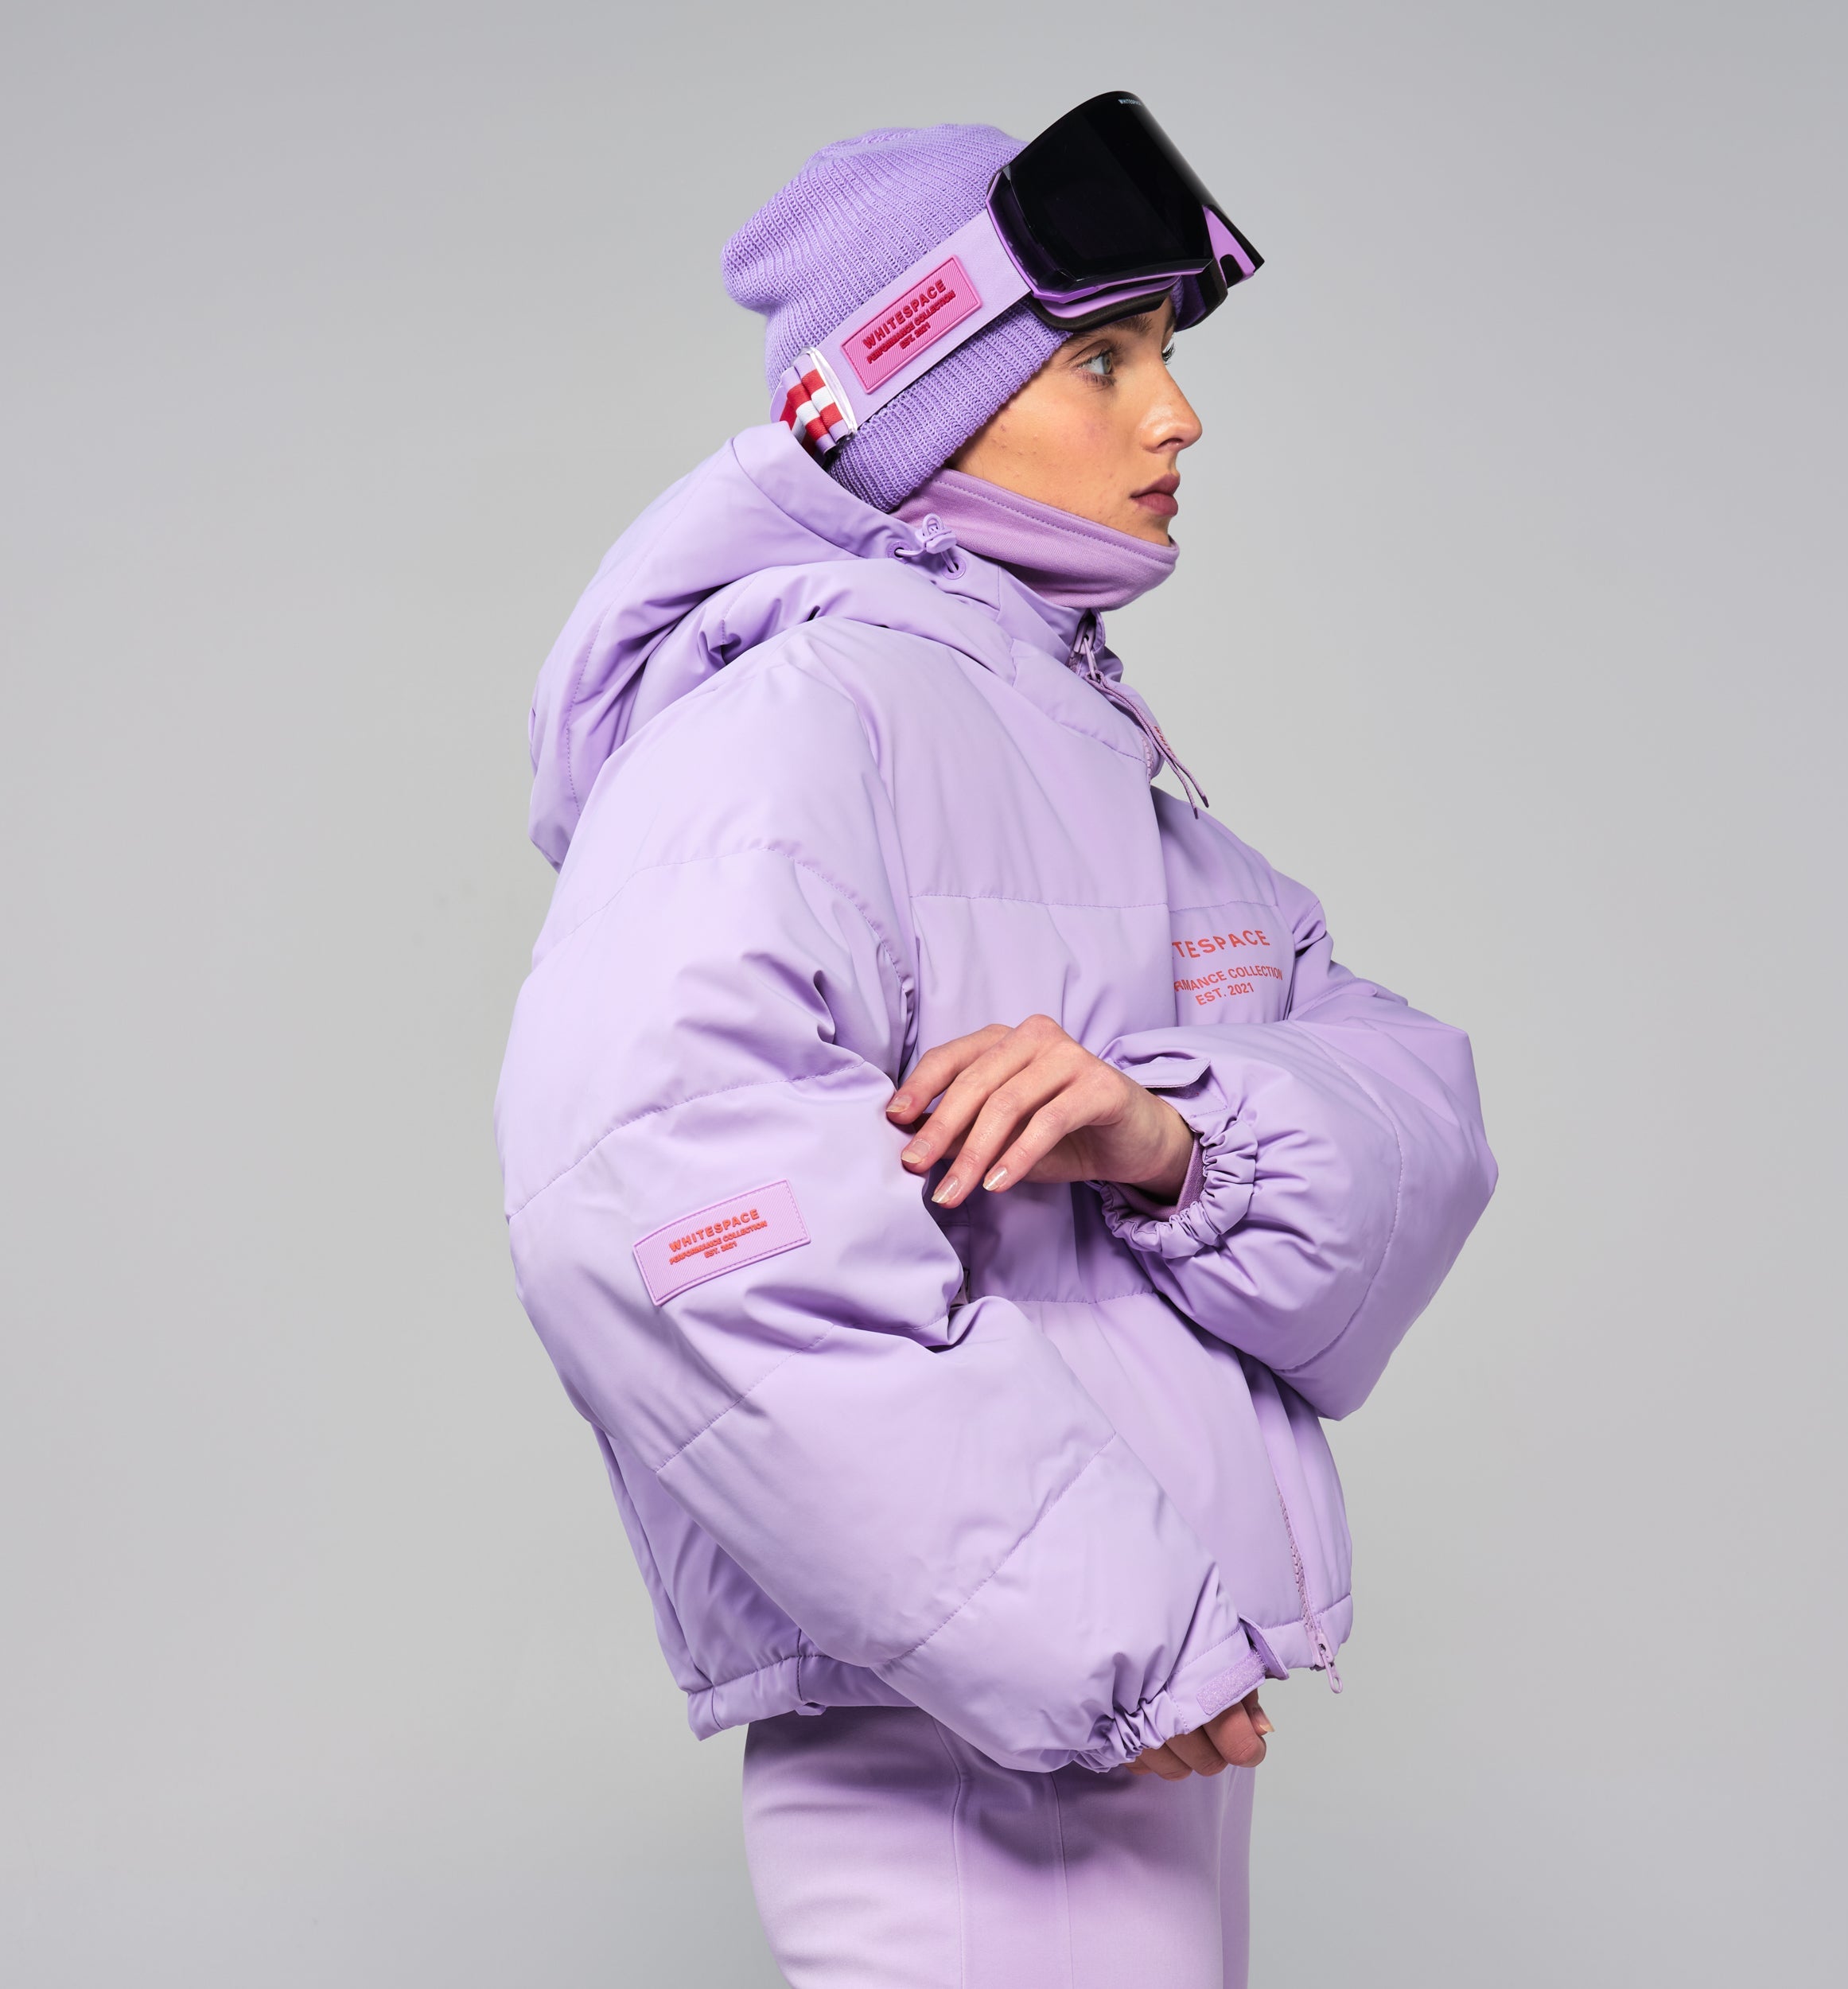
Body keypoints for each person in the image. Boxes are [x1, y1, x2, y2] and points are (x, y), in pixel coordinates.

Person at [496, 95, 1496, 1989]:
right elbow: (658, 1208)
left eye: (1166, 353)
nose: (1174, 416)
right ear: (918, 394)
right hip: (976, 1742)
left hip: (1119, 1705)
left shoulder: (1068, 744)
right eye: (1100, 358)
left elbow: (1411, 1109)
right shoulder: (792, 721)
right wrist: (1101, 1630)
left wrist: (1173, 1136)